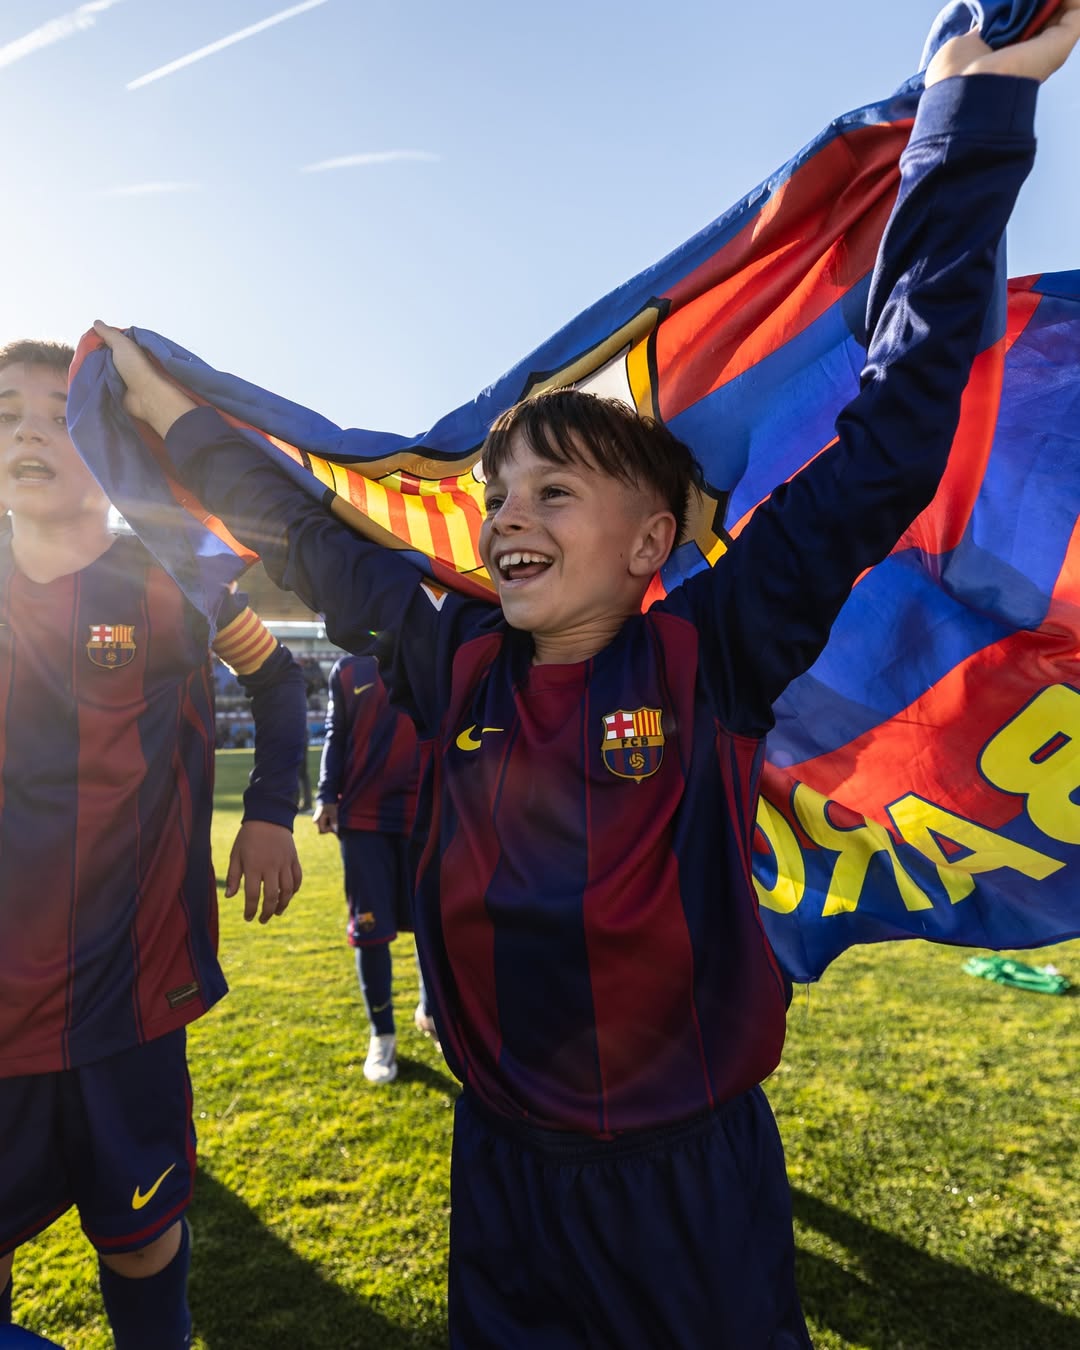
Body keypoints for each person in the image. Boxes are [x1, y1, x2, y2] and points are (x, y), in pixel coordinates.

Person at [93, 12, 1080, 1345]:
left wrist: (970, 122)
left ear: (650, 542)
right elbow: (310, 541)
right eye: (502, 495)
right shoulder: (452, 662)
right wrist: (176, 421)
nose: (509, 519)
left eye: (555, 490)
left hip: (695, 1183)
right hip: (504, 1183)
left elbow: (898, 428)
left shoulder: (714, 648)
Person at [0, 340, 307, 1349]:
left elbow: (276, 680)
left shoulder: (186, 564)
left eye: (56, 411)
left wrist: (270, 808)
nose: (29, 430)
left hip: (126, 993)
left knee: (138, 1241)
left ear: (104, 441)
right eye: (7, 414)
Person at [313, 648, 427, 1083]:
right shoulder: (347, 668)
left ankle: (432, 1010)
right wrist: (326, 796)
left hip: (425, 812)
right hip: (363, 820)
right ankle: (382, 1035)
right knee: (371, 930)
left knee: (431, 925)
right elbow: (334, 735)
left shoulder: (429, 644)